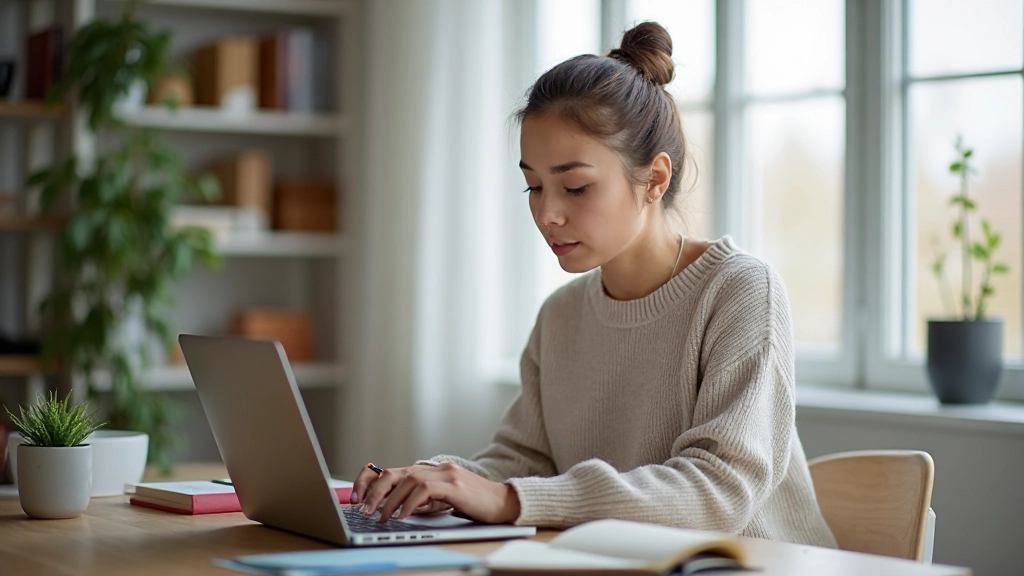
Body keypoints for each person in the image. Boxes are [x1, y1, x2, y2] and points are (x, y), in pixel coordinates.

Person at [350, 21, 837, 548]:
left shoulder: (740, 292)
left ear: (655, 179)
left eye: (575, 187)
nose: (547, 214)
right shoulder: (561, 315)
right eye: (533, 186)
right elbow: (524, 462)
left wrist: (510, 499)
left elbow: (717, 493)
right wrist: (433, 477)